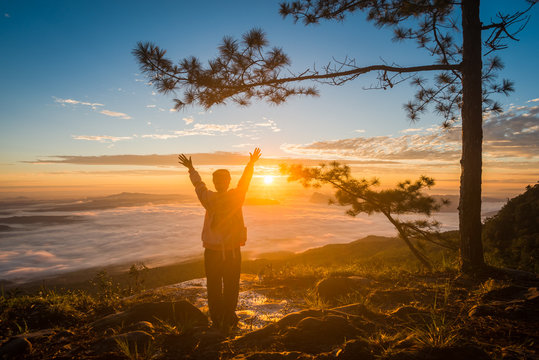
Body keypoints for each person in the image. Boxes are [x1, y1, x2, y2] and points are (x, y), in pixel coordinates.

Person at [178, 148, 261, 331]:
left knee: (214, 286)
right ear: (226, 182)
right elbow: (245, 182)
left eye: (219, 180)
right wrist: (250, 165)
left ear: (218, 183)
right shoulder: (236, 197)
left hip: (213, 250)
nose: (219, 183)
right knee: (231, 285)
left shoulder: (209, 198)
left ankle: (218, 319)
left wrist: (191, 169)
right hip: (231, 250)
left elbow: (199, 186)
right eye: (218, 180)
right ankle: (228, 317)